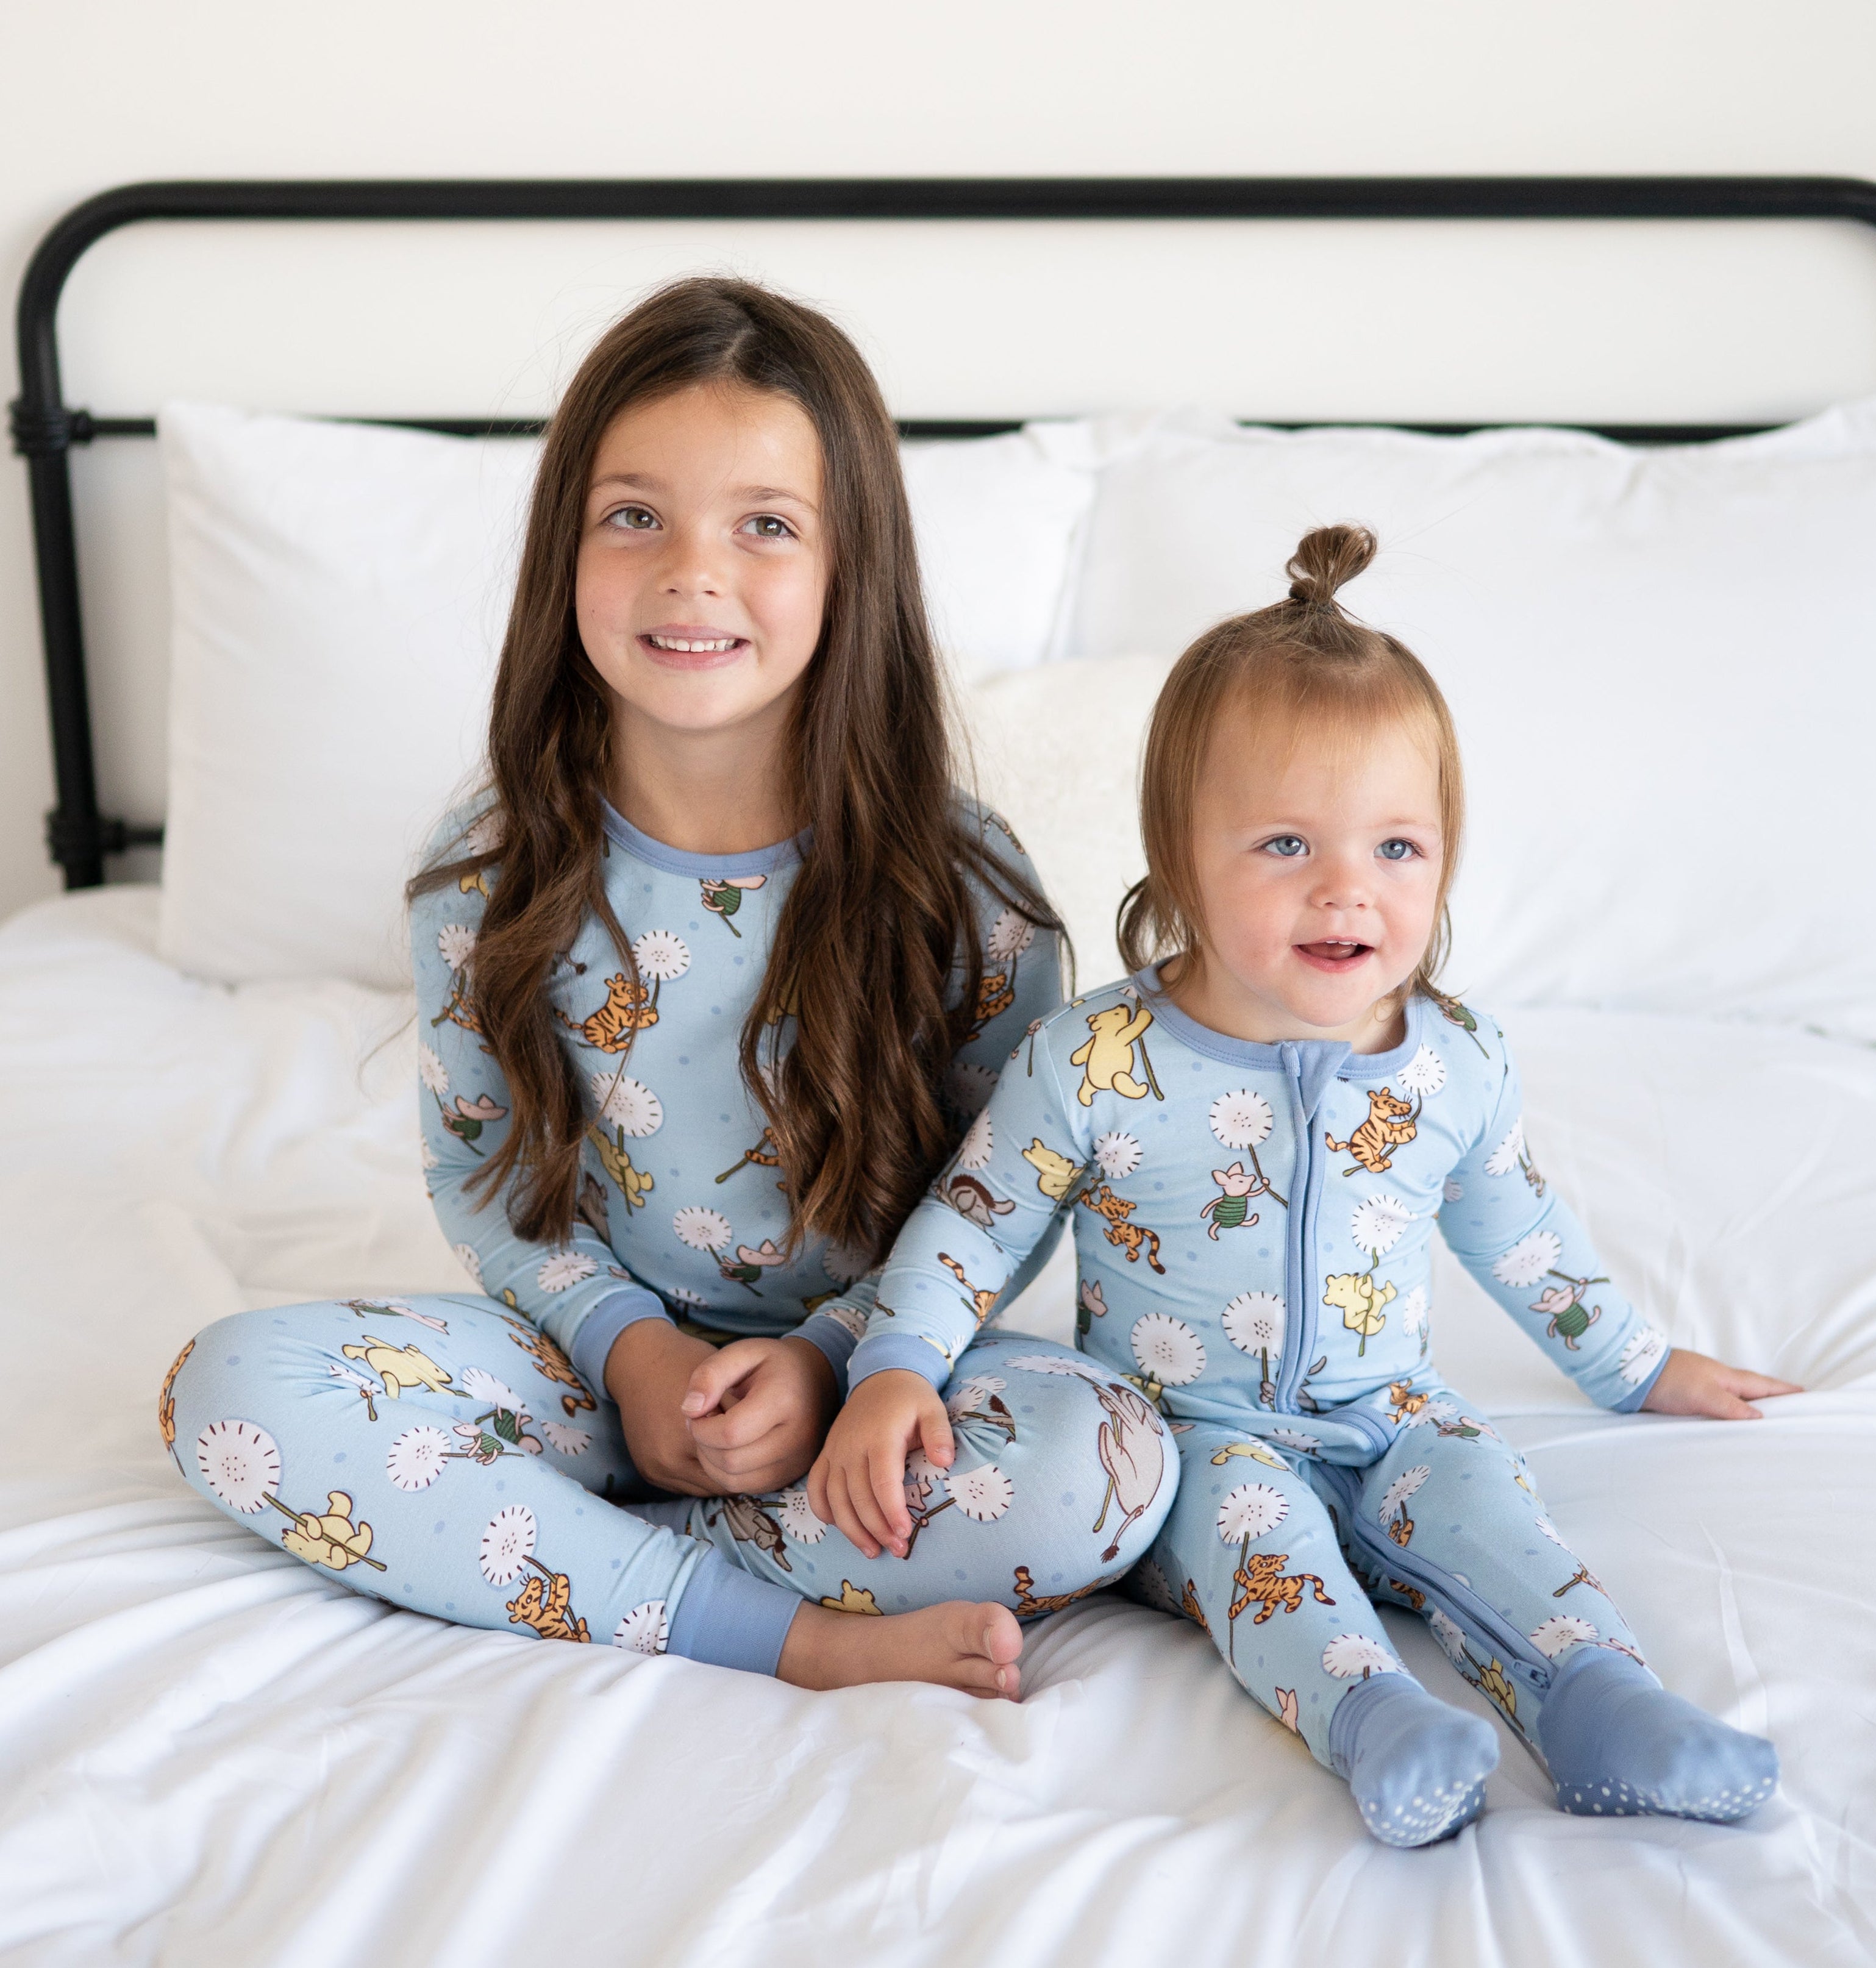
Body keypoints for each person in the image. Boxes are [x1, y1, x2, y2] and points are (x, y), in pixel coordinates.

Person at [162, 278, 1177, 1698]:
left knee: (1108, 1467)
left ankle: (543, 1548)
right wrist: (634, 1360)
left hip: (875, 1381)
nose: (693, 574)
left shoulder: (965, 889)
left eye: (765, 525)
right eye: (636, 515)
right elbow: (481, 1182)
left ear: (851, 567)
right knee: (232, 1394)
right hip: (588, 1379)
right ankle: (782, 1629)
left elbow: (998, 1197)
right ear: (563, 554)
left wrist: (830, 1362)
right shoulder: (491, 871)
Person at [832, 522, 1796, 1842]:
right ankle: (1376, 1722)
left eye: (1398, 848)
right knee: (1262, 1555)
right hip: (1197, 1438)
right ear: (1181, 851)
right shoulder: (1098, 1059)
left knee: (1493, 1512)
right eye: (1287, 844)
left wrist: (1639, 1366)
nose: (1349, 889)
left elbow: (1518, 1228)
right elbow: (975, 1223)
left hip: (1394, 1416)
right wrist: (895, 1365)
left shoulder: (1453, 1063)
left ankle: (1605, 1702)